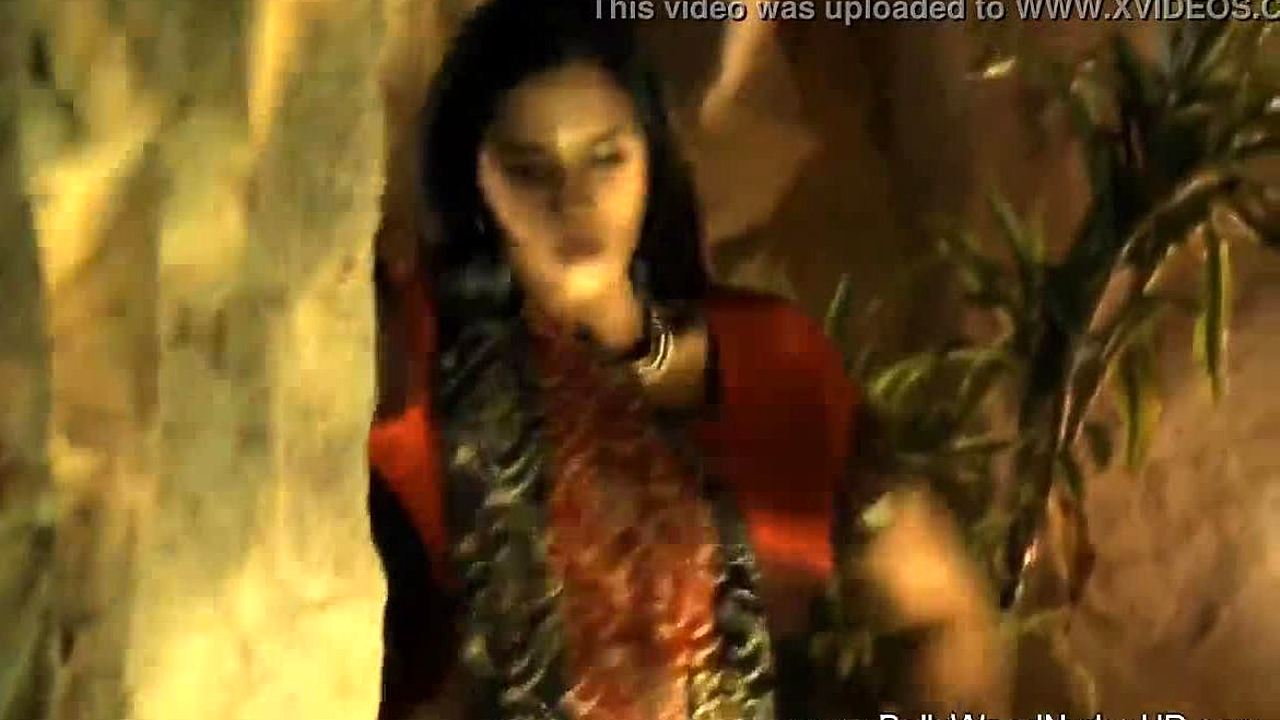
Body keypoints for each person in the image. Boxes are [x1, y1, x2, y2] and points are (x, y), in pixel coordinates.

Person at [368, 2, 1008, 719]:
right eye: (527, 168)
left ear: (650, 160)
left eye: (606, 157)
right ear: (473, 181)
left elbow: (944, 611)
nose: (574, 199)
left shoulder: (771, 364)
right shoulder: (418, 356)